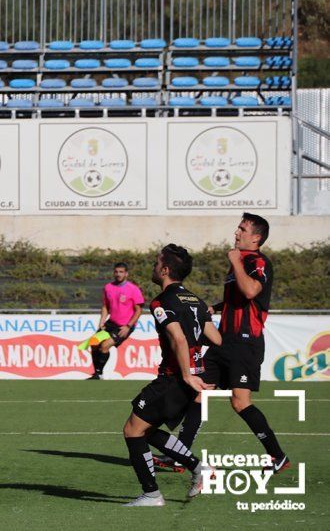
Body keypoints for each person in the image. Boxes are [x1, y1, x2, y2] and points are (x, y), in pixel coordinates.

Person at [180, 213, 288, 474]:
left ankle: (278, 457)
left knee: (240, 402)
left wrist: (235, 262)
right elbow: (239, 299)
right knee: (199, 391)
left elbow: (251, 291)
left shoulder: (257, 261)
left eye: (242, 229)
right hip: (223, 340)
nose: (236, 232)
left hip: (245, 342)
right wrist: (215, 307)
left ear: (256, 237)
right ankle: (180, 454)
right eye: (238, 228)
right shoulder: (240, 262)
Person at [122, 244, 222, 506]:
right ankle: (201, 469)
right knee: (147, 429)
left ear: (165, 270)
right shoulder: (196, 301)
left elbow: (178, 338)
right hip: (190, 380)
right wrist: (200, 371)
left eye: (157, 263)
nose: (154, 267)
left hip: (175, 379)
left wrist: (188, 375)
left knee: (133, 431)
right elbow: (216, 338)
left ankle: (151, 494)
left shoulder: (161, 301)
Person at [88, 263, 144, 379]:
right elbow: (105, 306)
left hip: (124, 326)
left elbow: (138, 310)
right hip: (110, 323)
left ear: (126, 274)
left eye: (121, 272)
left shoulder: (133, 289)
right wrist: (102, 322)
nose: (118, 274)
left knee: (104, 346)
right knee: (93, 343)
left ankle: (99, 373)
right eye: (116, 272)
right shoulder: (108, 287)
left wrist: (128, 326)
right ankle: (97, 373)